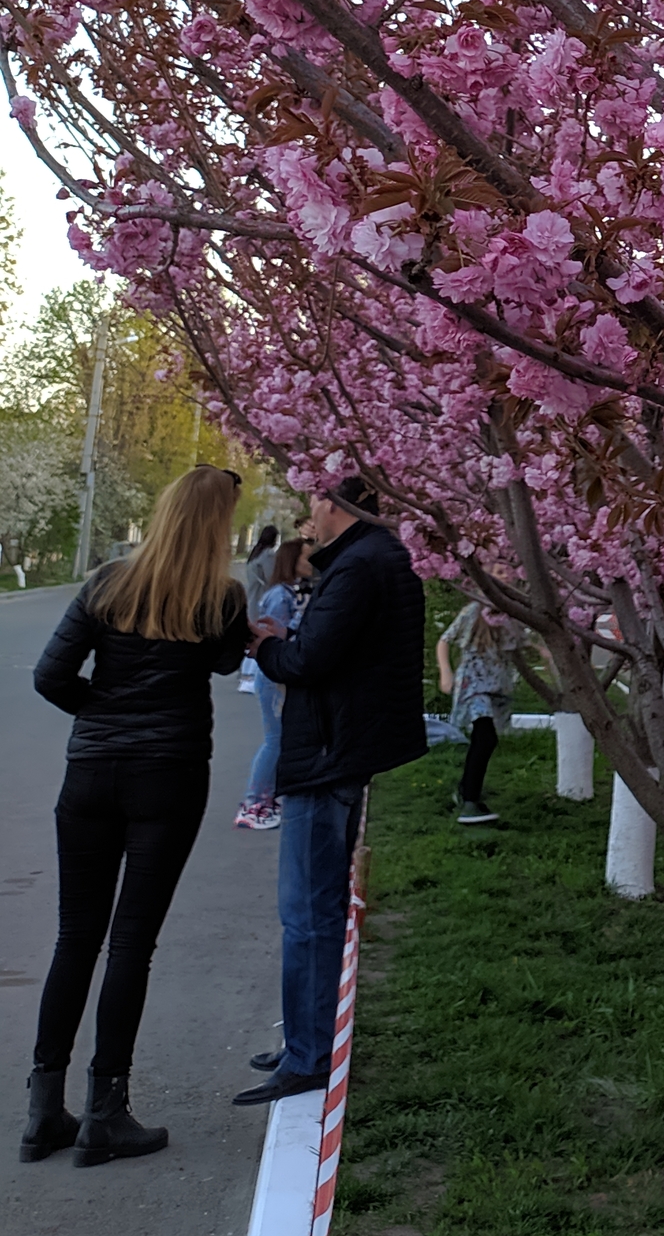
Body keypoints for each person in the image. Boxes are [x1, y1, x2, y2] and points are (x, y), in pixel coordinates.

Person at [24, 465, 250, 1166]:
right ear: (217, 527)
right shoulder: (222, 597)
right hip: (169, 777)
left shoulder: (107, 582)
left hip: (89, 774)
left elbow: (49, 676)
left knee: (75, 938)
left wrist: (102, 713)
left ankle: (42, 1111)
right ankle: (105, 1111)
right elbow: (223, 664)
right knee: (130, 944)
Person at [235, 475, 425, 1107]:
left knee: (308, 915)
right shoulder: (374, 559)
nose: (307, 513)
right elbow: (338, 652)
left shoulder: (360, 567)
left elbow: (310, 663)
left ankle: (310, 1056)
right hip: (342, 747)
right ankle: (305, 1041)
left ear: (340, 505)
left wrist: (266, 646)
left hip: (326, 754)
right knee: (315, 911)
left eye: (314, 499)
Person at [436, 597, 528, 827]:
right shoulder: (473, 611)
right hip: (474, 684)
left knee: (486, 739)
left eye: (507, 570)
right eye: (498, 570)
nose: (505, 574)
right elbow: (445, 640)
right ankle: (470, 803)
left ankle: (466, 790)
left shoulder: (513, 614)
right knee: (485, 736)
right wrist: (445, 672)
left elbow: (520, 646)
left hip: (498, 686)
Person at [234, 535, 303, 831]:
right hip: (273, 676)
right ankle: (255, 802)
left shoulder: (292, 593)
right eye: (306, 556)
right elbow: (270, 636)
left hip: (279, 674)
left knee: (279, 739)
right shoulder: (280, 596)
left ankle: (265, 799)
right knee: (274, 739)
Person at [237, 524, 280, 697]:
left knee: (252, 634)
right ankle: (250, 676)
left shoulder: (254, 554)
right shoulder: (268, 555)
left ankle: (245, 675)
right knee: (260, 635)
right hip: (263, 600)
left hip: (252, 597)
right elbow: (271, 578)